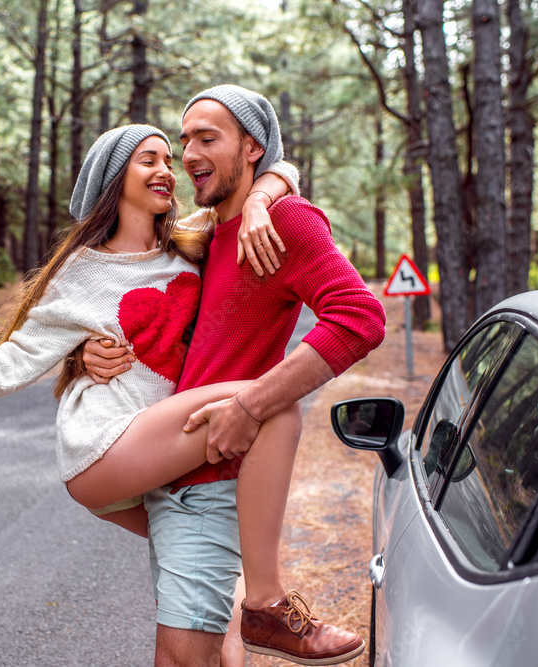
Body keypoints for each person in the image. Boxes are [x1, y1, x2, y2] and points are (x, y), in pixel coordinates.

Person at [0, 123, 319, 654]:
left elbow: (278, 170)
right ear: (115, 177)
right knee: (265, 400)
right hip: (105, 448)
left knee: (211, 595)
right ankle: (268, 605)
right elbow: (9, 362)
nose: (166, 170)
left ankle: (247, 614)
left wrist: (259, 202)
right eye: (147, 160)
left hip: (165, 456)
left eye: (167, 161)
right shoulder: (81, 273)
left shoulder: (191, 245)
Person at [81, 85, 386, 666]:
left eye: (207, 137)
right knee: (217, 651)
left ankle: (266, 610)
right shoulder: (204, 233)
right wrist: (83, 355)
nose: (189, 151)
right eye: (185, 138)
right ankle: (261, 611)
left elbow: (361, 316)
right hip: (170, 459)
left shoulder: (283, 223)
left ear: (250, 147)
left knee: (182, 659)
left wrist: (251, 406)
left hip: (212, 477)